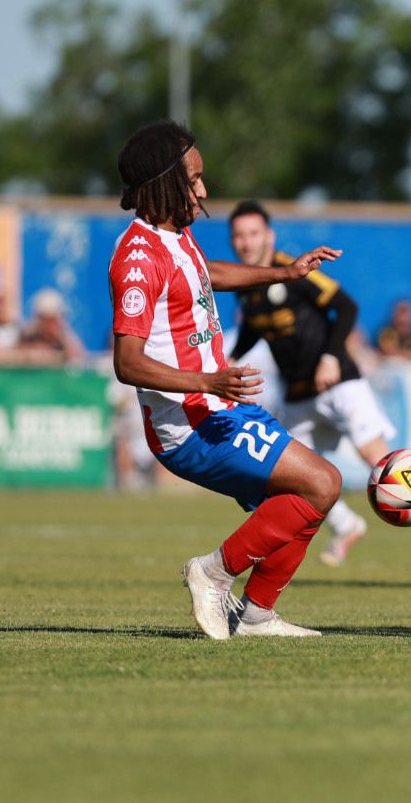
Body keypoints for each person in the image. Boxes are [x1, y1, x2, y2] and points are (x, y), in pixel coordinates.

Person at [107, 120, 344, 640]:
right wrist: (207, 381)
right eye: (194, 179)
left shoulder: (174, 239)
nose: (204, 191)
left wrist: (282, 274)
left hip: (218, 409)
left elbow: (204, 271)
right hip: (189, 424)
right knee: (322, 483)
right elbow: (127, 362)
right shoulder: (137, 260)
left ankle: (257, 616)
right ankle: (211, 573)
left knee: (303, 502)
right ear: (165, 181)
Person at [226, 199, 411, 570]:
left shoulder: (293, 269)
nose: (246, 241)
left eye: (253, 233)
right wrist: (233, 357)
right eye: (239, 235)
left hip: (339, 383)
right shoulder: (247, 283)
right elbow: (257, 326)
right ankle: (347, 524)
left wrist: (331, 356)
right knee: (284, 476)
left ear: (268, 235)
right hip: (298, 393)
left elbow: (346, 307)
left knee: (379, 461)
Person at [18, 289, 87, 367]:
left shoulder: (64, 338)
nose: (52, 325)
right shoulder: (27, 335)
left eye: (55, 320)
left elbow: (80, 357)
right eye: (48, 320)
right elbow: (13, 356)